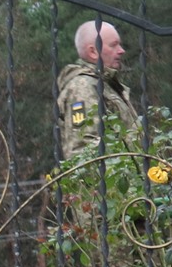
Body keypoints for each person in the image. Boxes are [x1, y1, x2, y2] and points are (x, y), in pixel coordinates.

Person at [57, 18, 138, 162]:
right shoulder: (83, 87)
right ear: (93, 52)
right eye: (113, 45)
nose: (121, 50)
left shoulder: (106, 84)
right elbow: (84, 150)